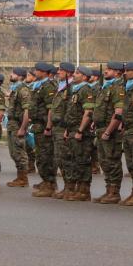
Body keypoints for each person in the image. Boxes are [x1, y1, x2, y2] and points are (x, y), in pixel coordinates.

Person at [93, 62, 126, 203]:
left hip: (110, 129)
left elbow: (118, 112)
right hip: (101, 127)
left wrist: (108, 131)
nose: (106, 71)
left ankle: (114, 192)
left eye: (109, 69)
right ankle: (108, 190)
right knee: (104, 161)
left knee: (112, 161)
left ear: (117, 72)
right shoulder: (105, 87)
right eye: (106, 69)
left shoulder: (118, 88)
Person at [63, 66, 96, 202]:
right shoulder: (75, 90)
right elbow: (72, 112)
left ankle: (84, 191)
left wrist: (80, 130)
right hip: (72, 130)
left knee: (82, 161)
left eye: (77, 73)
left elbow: (87, 113)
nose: (74, 75)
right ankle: (77, 188)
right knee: (74, 160)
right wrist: (68, 129)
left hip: (81, 132)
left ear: (84, 77)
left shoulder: (85, 90)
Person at [29, 62, 57, 197]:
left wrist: (48, 126)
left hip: (44, 125)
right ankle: (46, 181)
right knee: (40, 155)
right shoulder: (38, 86)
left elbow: (51, 108)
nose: (36, 72)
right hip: (38, 125)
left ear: (45, 72)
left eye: (38, 70)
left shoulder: (48, 86)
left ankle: (50, 184)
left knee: (46, 156)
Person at [49, 62, 75, 198]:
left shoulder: (71, 88)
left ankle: (70, 187)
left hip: (64, 127)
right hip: (56, 127)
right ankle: (66, 186)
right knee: (59, 158)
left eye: (61, 70)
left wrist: (67, 127)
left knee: (65, 158)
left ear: (69, 73)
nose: (58, 72)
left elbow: (71, 109)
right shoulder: (61, 87)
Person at [6, 67, 33, 188]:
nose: (11, 75)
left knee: (19, 151)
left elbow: (27, 110)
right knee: (14, 152)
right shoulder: (16, 89)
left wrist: (23, 128)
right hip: (12, 124)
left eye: (13, 73)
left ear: (20, 76)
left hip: (18, 124)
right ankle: (19, 176)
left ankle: (23, 178)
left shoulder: (23, 90)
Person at [120, 62, 133, 206]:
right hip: (128, 129)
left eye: (129, 70)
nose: (126, 73)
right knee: (131, 163)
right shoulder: (130, 87)